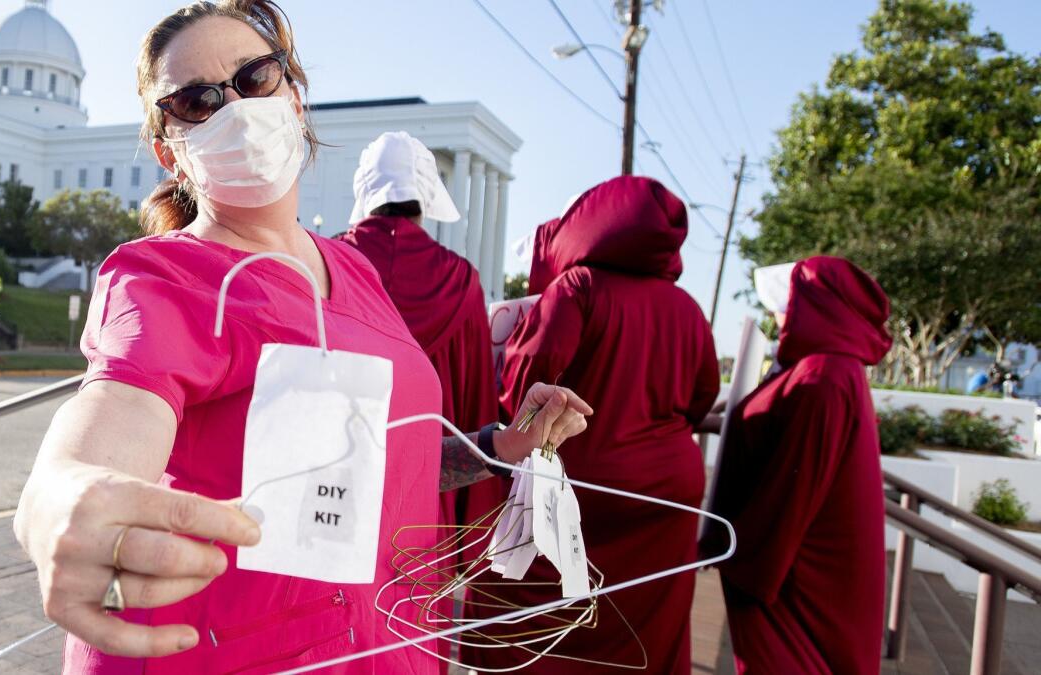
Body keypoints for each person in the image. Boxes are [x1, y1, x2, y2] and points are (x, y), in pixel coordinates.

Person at [10, 3, 592, 673]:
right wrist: (58, 495)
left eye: (254, 78)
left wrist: (503, 446)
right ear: (171, 150)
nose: (234, 108)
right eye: (197, 101)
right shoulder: (161, 278)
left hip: (391, 642)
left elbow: (377, 459)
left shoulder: (356, 271)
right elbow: (112, 412)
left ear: (295, 96)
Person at [465, 176, 720, 673]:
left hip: (586, 483)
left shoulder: (577, 287)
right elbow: (701, 396)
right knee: (644, 623)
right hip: (666, 494)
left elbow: (527, 390)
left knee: (519, 608)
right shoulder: (687, 307)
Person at [705, 256, 892, 675]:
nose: (779, 317)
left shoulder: (820, 376)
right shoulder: (829, 366)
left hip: (799, 569)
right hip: (812, 559)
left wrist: (744, 560)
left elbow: (793, 487)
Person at [339, 131, 499, 532]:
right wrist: (474, 530)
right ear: (425, 198)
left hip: (335, 490)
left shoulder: (329, 264)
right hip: (427, 492)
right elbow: (475, 404)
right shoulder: (460, 280)